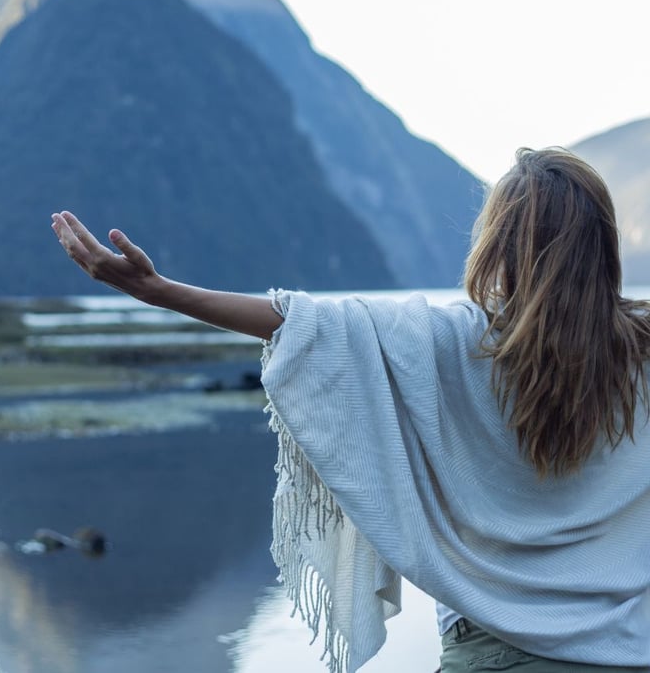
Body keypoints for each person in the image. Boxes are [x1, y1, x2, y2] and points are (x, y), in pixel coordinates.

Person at [51, 147, 650, 673]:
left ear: (498, 242)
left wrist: (157, 291)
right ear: (603, 240)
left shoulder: (450, 340)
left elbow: (299, 322)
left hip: (492, 656)